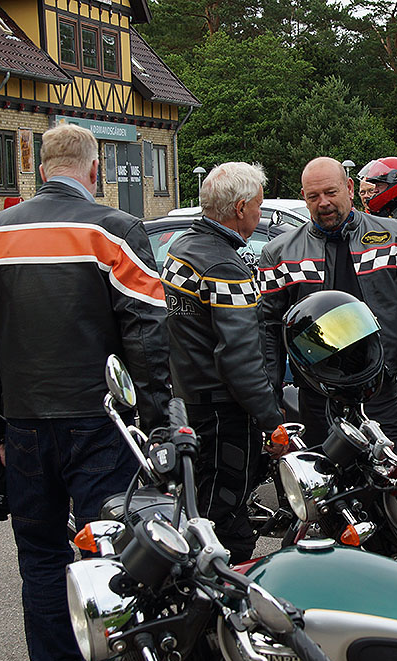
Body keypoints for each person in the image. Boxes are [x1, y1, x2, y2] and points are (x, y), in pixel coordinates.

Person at [0, 122, 170, 661]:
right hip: (101, 421)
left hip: (23, 424)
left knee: (41, 553)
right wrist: (156, 424)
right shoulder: (115, 230)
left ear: (38, 168)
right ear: (95, 170)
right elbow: (148, 335)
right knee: (109, 552)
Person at [258, 157, 397, 451]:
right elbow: (269, 330)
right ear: (303, 197)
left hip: (380, 387)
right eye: (314, 196)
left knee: (395, 471)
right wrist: (270, 401)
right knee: (321, 475)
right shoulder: (278, 253)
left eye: (331, 192)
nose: (324, 203)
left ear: (350, 188)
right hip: (316, 393)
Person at [161, 162, 287, 563]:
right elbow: (240, 357)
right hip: (222, 414)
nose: (259, 214)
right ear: (240, 207)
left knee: (199, 510)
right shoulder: (224, 267)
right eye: (258, 206)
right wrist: (272, 420)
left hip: (189, 400)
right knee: (226, 525)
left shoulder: (182, 247)